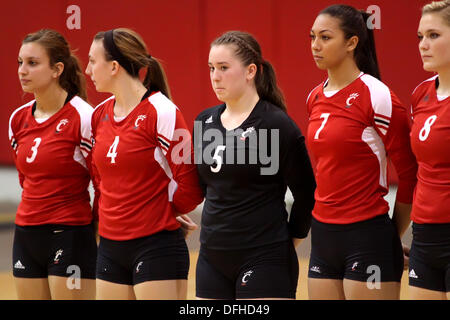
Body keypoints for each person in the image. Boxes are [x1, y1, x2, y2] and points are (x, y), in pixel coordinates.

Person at [193, 30, 316, 300]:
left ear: (250, 71)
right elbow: (203, 186)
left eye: (224, 68)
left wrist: (289, 240)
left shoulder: (276, 125)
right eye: (212, 68)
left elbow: (307, 193)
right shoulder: (205, 122)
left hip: (265, 258)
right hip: (211, 260)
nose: (215, 76)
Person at [307, 4, 418, 299]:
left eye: (325, 37)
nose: (315, 45)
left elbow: (410, 175)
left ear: (352, 42)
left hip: (367, 234)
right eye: (312, 37)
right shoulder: (314, 96)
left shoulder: (377, 95)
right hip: (322, 236)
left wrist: (389, 238)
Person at [85, 28, 203, 300]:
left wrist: (162, 211)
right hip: (110, 247)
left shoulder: (162, 111)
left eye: (93, 61)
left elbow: (190, 184)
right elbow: (100, 180)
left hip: (156, 246)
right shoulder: (98, 115)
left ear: (114, 66)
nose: (88, 70)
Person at [8, 29, 97, 300]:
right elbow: (27, 179)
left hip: (69, 233)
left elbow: (103, 179)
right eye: (20, 62)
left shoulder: (83, 117)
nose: (22, 70)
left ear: (57, 69)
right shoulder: (17, 119)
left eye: (33, 63)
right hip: (26, 233)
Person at [409, 0, 450, 300]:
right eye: (421, 37)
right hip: (424, 232)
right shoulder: (421, 93)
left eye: (434, 35)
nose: (424, 44)